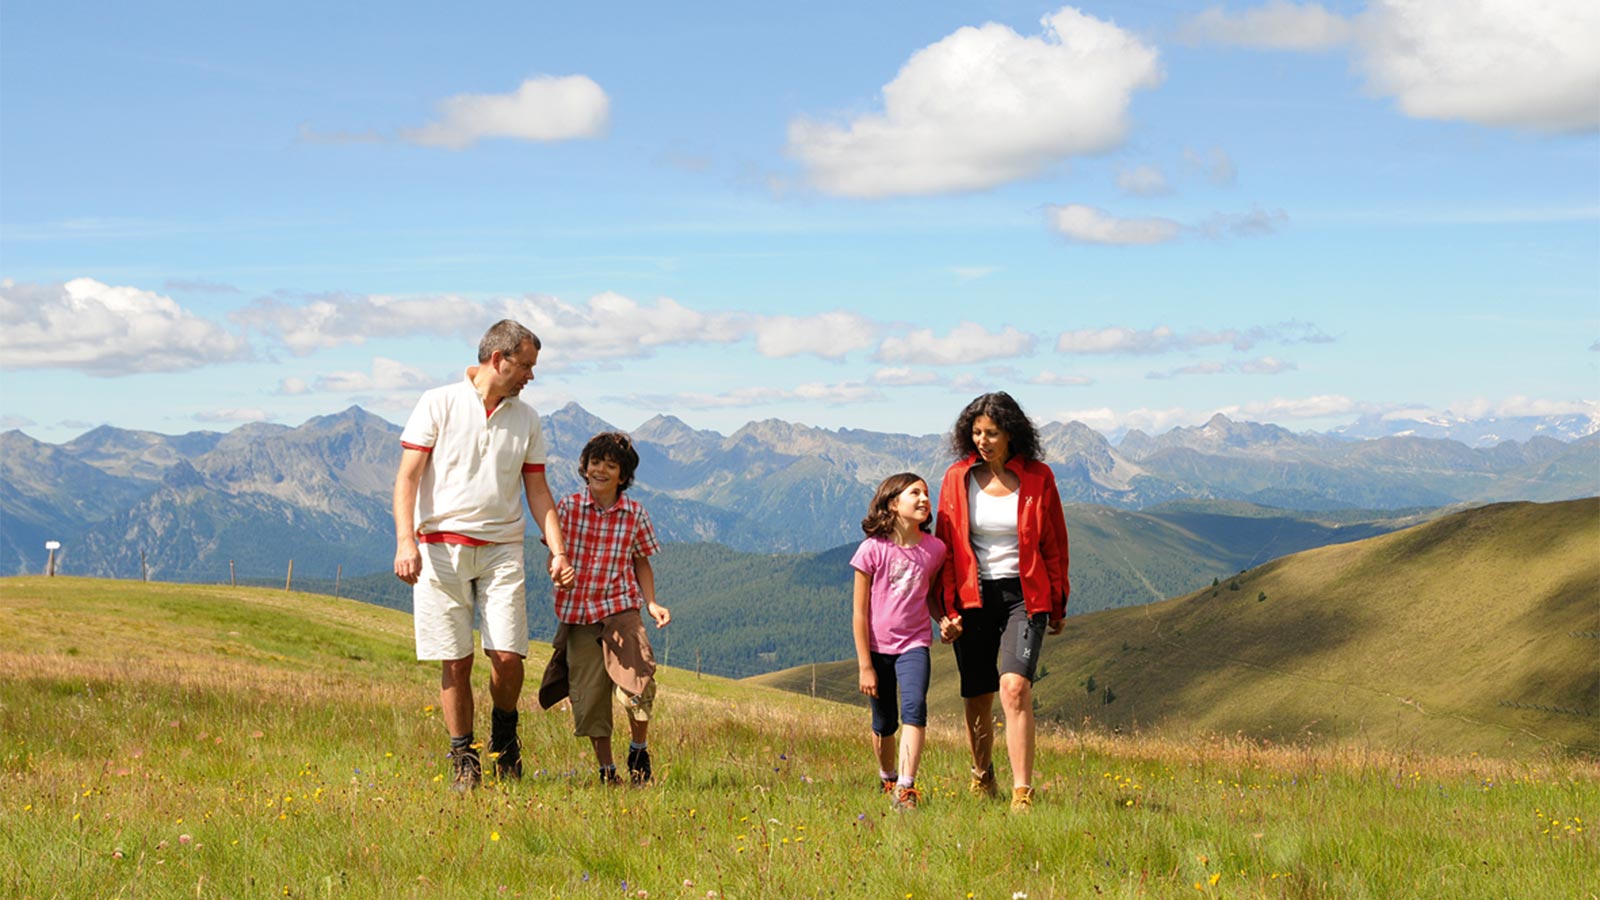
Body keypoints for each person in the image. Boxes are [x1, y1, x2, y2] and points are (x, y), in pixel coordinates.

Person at [392, 319, 576, 792]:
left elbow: (537, 488)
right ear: (499, 360)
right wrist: (405, 541)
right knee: (454, 660)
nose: (531, 376)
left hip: (502, 549)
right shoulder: (438, 403)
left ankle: (505, 733)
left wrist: (557, 549)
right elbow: (407, 479)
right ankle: (463, 756)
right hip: (439, 549)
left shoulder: (527, 418)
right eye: (527, 366)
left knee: (508, 656)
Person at [932, 391, 1069, 812]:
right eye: (976, 432)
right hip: (973, 596)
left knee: (1014, 688)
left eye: (991, 432)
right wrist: (947, 609)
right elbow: (947, 546)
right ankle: (982, 776)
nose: (983, 440)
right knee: (977, 692)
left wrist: (1058, 601)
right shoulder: (957, 478)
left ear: (1011, 433)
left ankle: (1022, 793)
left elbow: (1054, 543)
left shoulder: (1038, 477)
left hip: (1023, 596)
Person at [536, 431, 670, 786]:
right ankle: (607, 772)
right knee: (590, 696)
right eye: (595, 462)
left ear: (623, 476)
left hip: (621, 609)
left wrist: (651, 602)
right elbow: (554, 552)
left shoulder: (634, 514)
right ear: (585, 466)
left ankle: (638, 751)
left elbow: (641, 561)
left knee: (638, 685)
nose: (600, 470)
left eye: (610, 466)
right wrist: (556, 567)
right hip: (579, 615)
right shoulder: (566, 508)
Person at [850, 472, 947, 811]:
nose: (924, 499)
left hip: (915, 643)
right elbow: (859, 613)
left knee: (915, 709)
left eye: (926, 494)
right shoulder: (871, 550)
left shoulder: (936, 549)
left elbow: (931, 597)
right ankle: (888, 776)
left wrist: (944, 620)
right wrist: (865, 666)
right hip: (877, 650)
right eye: (915, 493)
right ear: (893, 503)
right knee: (884, 722)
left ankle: (906, 787)